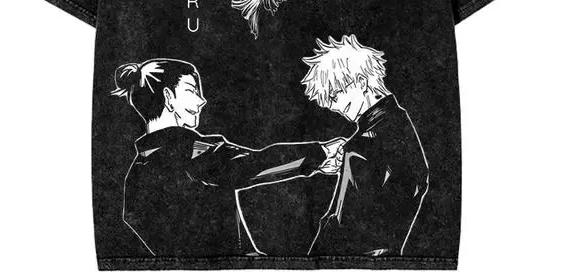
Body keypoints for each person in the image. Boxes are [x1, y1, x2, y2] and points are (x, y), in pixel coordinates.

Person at [112, 58, 343, 257]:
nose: (202, 101)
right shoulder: (193, 150)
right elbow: (254, 165)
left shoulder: (135, 175)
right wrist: (320, 153)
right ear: (168, 97)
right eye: (192, 91)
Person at [301, 35, 430, 257]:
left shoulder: (359, 147)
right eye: (328, 100)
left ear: (361, 81)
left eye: (335, 94)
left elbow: (340, 221)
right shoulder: (400, 120)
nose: (334, 106)